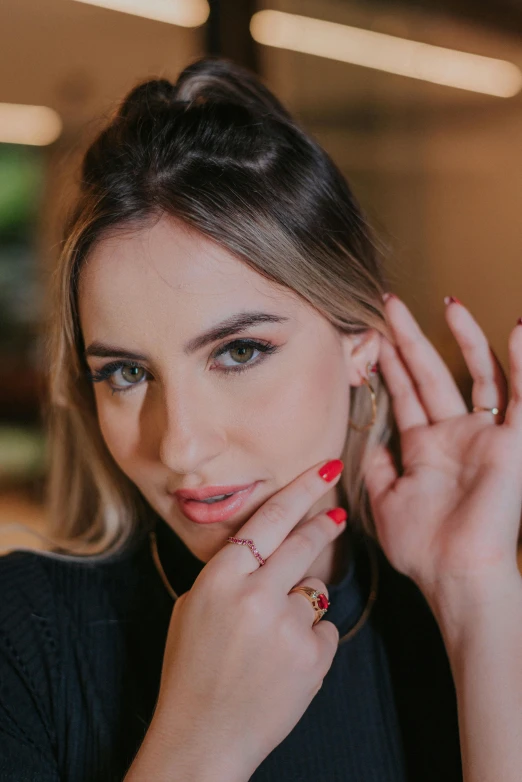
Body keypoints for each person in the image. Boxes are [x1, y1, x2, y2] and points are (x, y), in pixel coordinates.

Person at [0, 56, 519, 782]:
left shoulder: (468, 620)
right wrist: (200, 749)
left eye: (239, 351)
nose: (179, 444)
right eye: (126, 372)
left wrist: (477, 599)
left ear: (361, 352)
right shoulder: (21, 639)